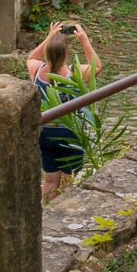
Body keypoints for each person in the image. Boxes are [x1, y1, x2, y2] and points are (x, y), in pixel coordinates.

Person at [26, 21, 102, 203]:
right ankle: (63, 212)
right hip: (70, 133)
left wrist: (49, 37)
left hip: (45, 133)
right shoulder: (75, 74)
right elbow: (97, 67)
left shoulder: (37, 72)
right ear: (67, 54)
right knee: (69, 181)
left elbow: (30, 58)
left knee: (50, 180)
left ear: (47, 53)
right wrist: (84, 40)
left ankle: (49, 214)